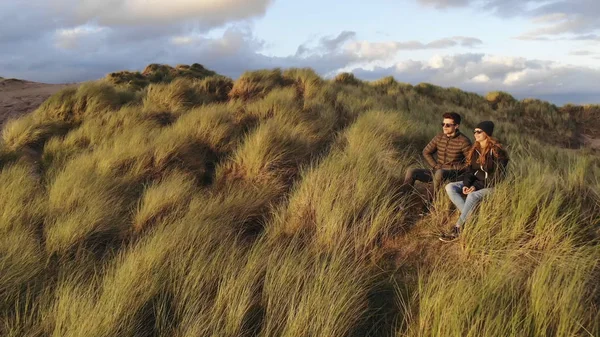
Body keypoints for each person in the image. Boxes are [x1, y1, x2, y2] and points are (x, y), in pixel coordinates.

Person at [439, 121, 509, 242]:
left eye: (479, 131)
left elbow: (497, 177)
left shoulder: (497, 152)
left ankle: (458, 229)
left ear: (487, 133)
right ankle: (471, 218)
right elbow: (470, 171)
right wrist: (466, 184)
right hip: (477, 183)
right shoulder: (475, 149)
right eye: (474, 131)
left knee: (472, 195)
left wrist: (476, 186)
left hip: (492, 186)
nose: (475, 134)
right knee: (450, 187)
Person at [401, 112, 472, 193]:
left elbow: (469, 163)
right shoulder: (439, 137)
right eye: (443, 124)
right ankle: (404, 200)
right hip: (438, 170)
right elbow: (426, 152)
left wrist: (454, 168)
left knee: (439, 173)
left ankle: (426, 203)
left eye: (448, 125)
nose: (444, 127)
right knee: (411, 171)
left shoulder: (464, 141)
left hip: (454, 174)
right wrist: (435, 165)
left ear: (456, 126)